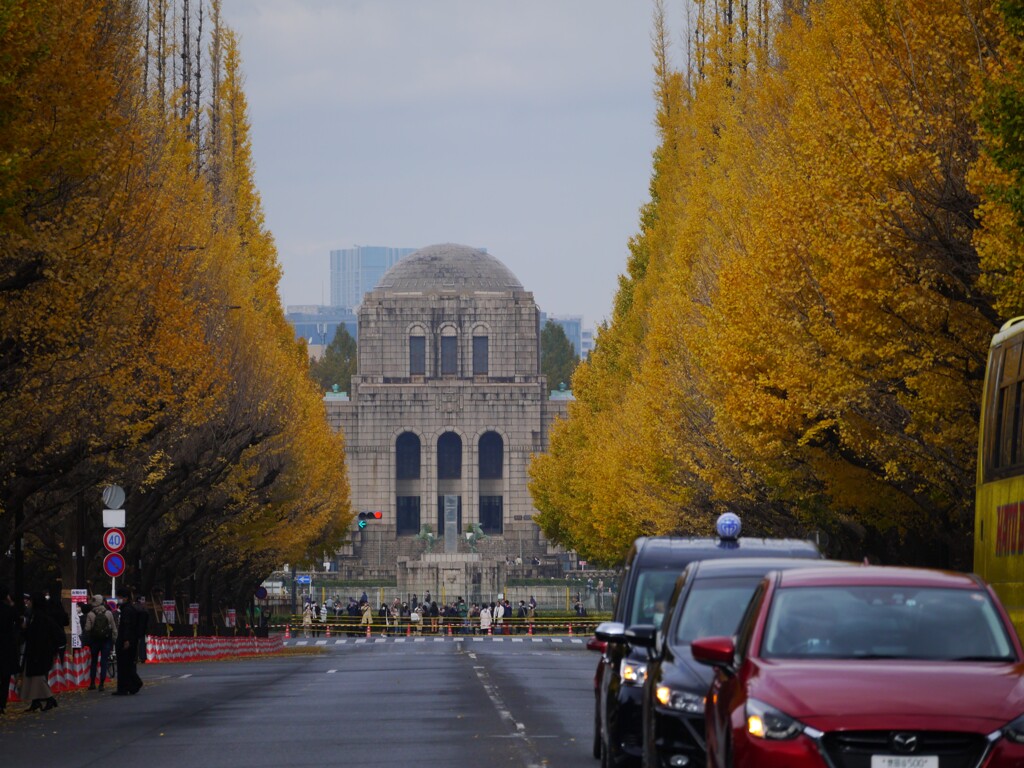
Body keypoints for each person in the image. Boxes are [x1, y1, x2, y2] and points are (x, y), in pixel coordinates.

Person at [21, 592, 62, 712]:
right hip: (42, 651)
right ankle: (36, 701)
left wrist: (25, 630)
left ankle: (49, 698)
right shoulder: (42, 616)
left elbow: (35, 636)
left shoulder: (39, 618)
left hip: (38, 652)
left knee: (38, 677)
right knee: (36, 677)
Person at [112, 589, 143, 696]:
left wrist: (126, 640)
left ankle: (131, 685)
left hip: (126, 640)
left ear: (125, 598)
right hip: (131, 640)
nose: (118, 599)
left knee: (123, 665)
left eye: (119, 597)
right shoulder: (130, 609)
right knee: (127, 665)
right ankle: (129, 686)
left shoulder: (127, 610)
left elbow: (127, 626)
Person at [84, 594, 116, 691]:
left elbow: (87, 628)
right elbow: (114, 628)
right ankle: (102, 684)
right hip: (106, 640)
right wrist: (113, 640)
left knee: (93, 662)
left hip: (95, 641)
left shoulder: (90, 614)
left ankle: (92, 683)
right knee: (104, 662)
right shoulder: (108, 613)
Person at [0, 585, 20, 715]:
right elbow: (18, 620)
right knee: (5, 677)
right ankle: (2, 703)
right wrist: (12, 603)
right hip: (6, 647)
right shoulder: (9, 610)